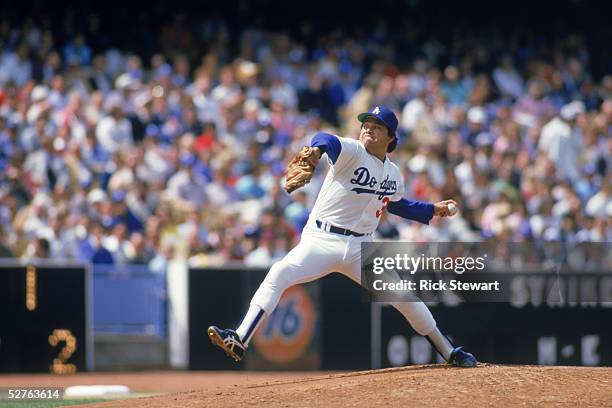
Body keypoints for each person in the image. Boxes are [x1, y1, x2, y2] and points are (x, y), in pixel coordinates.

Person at [208, 105, 477, 367]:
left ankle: (448, 351)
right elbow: (326, 139)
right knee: (280, 273)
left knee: (405, 298)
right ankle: (240, 338)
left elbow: (396, 204)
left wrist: (434, 210)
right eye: (366, 125)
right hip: (322, 240)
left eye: (377, 127)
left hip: (362, 248)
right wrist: (315, 150)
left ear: (392, 137)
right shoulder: (353, 151)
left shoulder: (393, 173)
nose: (368, 130)